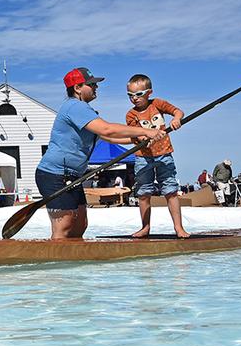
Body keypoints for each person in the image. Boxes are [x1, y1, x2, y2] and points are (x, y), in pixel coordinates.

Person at [36, 68, 165, 239]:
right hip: (54, 174)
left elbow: (106, 137)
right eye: (92, 84)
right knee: (65, 223)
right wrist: (146, 131)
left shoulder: (85, 110)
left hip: (72, 176)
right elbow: (107, 129)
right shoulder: (75, 106)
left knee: (81, 224)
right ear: (78, 88)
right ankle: (56, 260)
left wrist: (138, 139)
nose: (96, 87)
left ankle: (73, 261)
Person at [125, 74, 188, 238]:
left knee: (170, 190)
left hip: (164, 154)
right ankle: (145, 227)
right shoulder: (131, 115)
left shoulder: (158, 104)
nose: (134, 99)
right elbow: (136, 134)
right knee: (143, 193)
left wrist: (176, 119)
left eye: (138, 94)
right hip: (143, 157)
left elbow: (178, 111)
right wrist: (144, 137)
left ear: (149, 92)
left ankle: (178, 228)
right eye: (130, 95)